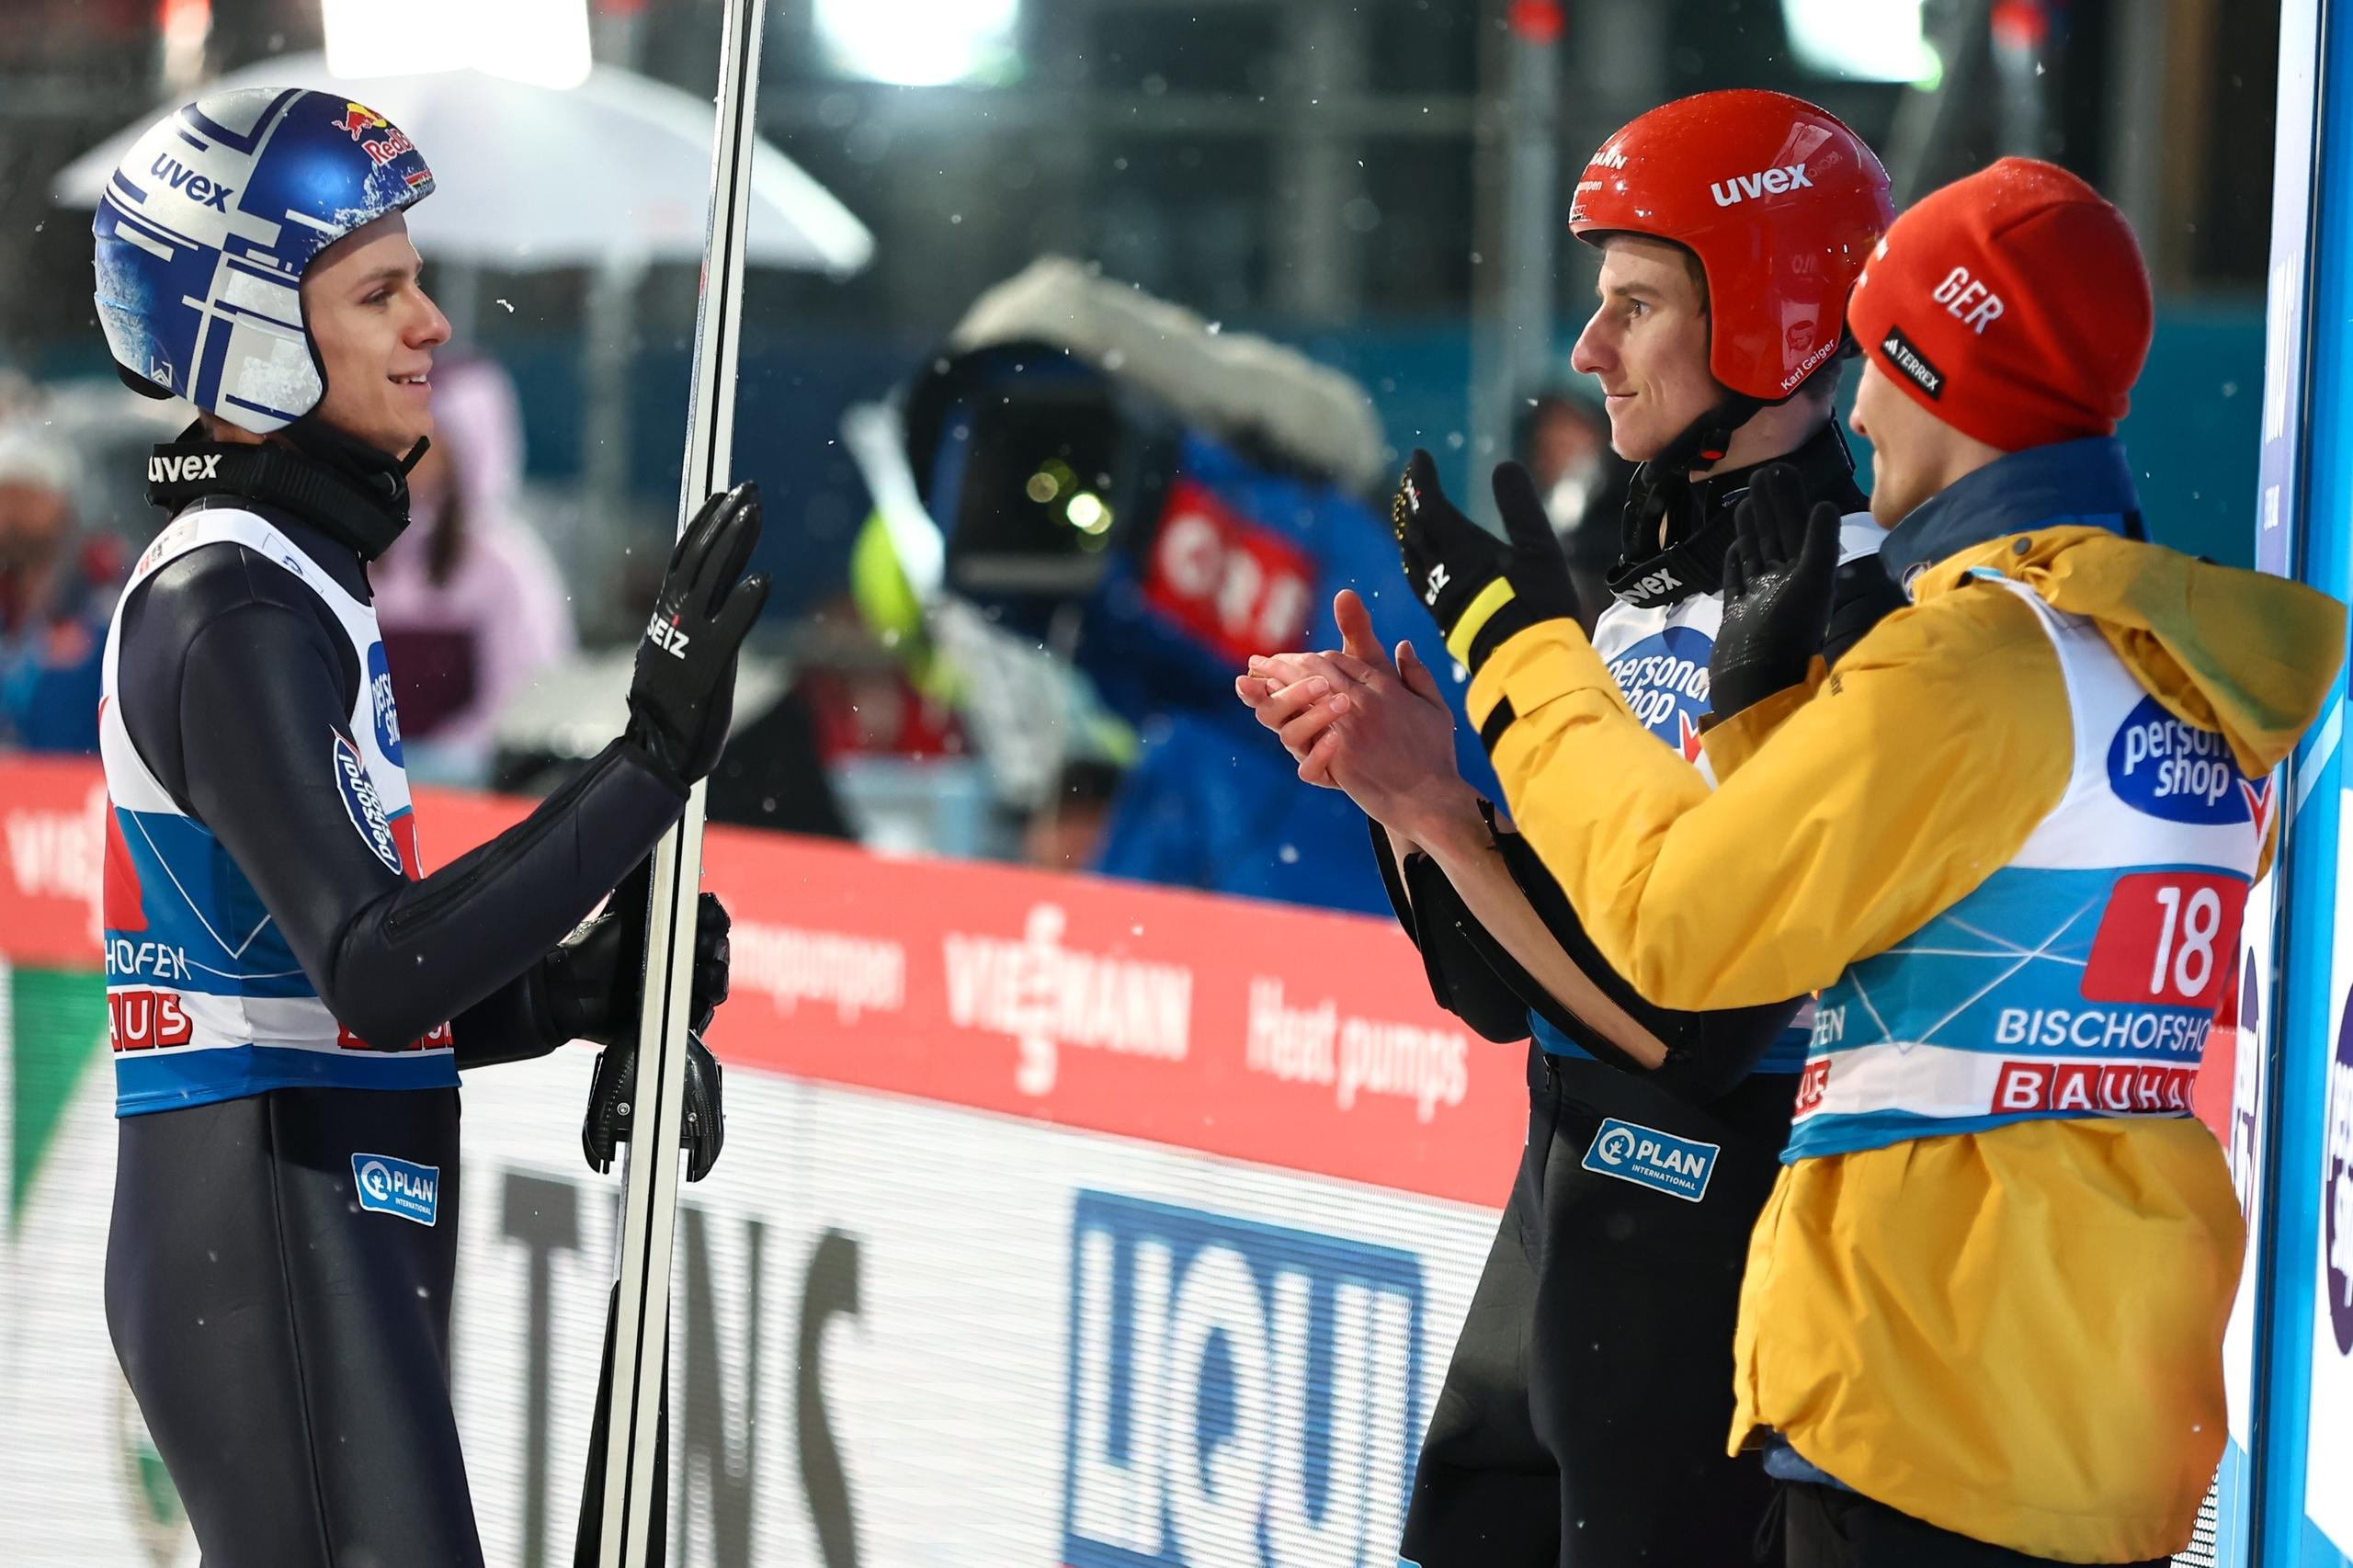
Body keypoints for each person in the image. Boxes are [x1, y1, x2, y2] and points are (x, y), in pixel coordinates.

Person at [1315, 158, 2343, 1565]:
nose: (1857, 404)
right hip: (2092, 1391)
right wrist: (1776, 726)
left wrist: (1518, 650)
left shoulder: (1979, 657)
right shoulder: (2163, 660)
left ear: (1941, 377)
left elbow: (1684, 933)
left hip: (1929, 1394)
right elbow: (1943, 911)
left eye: (1881, 360)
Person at [89, 87, 760, 1566]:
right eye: (380, 290)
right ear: (257, 332)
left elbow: (309, 988)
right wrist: (646, 763)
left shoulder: (292, 577)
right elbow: (375, 969)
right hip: (267, 1213)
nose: (432, 326)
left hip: (303, 1186)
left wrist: (582, 989)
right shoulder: (232, 605)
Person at [1237, 90, 1897, 1565]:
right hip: (1571, 1242)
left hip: (1714, 1289)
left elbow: (1687, 1026)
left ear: (1777, 318)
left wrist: (1436, 808)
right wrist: (1403, 795)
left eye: (1637, 303)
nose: (1591, 350)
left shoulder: (1846, 603)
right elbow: (1507, 982)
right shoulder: (1647, 593)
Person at [372, 350, 575, 785]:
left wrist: (440, 762)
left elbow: (525, 698)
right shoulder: (352, 543)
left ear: (468, 449)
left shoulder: (504, 565)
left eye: (425, 441)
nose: (406, 455)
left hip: (468, 795)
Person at [0, 422, 120, 752]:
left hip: (79, 787)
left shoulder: (105, 605)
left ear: (61, 506)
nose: (10, 516)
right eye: (3, 498)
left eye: (24, 499)